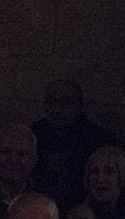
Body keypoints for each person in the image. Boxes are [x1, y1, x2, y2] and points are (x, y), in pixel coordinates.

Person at [31, 79, 118, 211]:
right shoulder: (33, 136)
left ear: (80, 105)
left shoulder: (98, 140)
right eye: (51, 102)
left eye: (66, 103)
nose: (57, 109)